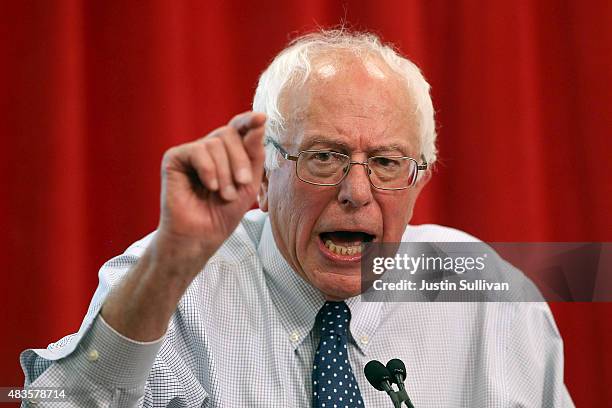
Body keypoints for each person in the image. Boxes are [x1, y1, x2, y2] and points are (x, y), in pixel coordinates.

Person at [21, 30, 573, 407]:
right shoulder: (169, 282)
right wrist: (167, 269)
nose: (356, 192)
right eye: (323, 157)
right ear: (263, 174)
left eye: (385, 163)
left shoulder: (489, 301)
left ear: (419, 180)